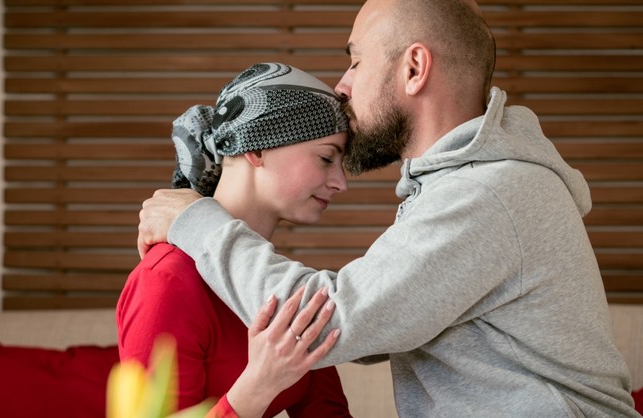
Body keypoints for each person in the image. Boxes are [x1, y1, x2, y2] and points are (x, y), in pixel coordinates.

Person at [136, 1, 642, 417]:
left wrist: (195, 221)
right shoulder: (467, 189)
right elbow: (359, 330)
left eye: (356, 60)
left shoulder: (485, 194)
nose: (342, 85)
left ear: (414, 68)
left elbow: (334, 324)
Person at [117, 62, 353, 418]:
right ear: (256, 149)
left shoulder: (275, 283)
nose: (340, 182)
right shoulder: (168, 281)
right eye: (325, 157)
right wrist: (258, 385)